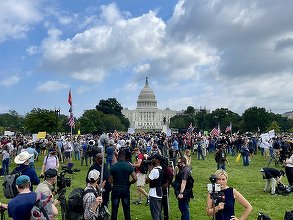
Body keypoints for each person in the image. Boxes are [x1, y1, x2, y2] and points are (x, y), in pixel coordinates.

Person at [109, 149, 137, 220]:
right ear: (124, 157)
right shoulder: (129, 166)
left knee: (114, 210)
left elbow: (110, 180)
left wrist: (112, 184)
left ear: (118, 156)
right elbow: (135, 178)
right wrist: (130, 183)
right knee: (126, 209)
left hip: (116, 189)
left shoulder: (113, 166)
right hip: (125, 189)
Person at [146, 154, 163, 220]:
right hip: (159, 192)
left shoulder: (154, 171)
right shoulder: (161, 169)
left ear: (157, 160)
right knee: (159, 212)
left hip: (154, 193)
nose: (152, 160)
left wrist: (150, 169)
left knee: (155, 214)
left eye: (153, 159)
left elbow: (147, 180)